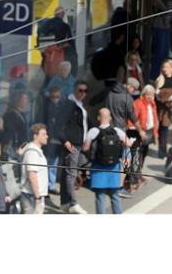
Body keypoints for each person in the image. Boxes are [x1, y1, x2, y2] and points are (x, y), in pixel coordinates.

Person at [84, 107, 130, 214]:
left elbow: (85, 148)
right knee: (115, 196)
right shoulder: (117, 131)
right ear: (110, 118)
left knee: (100, 197)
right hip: (114, 168)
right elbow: (128, 144)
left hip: (98, 169)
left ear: (98, 118)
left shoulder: (93, 131)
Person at [56, 81, 90, 214]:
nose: (83, 93)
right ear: (75, 90)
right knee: (71, 174)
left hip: (78, 144)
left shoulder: (79, 105)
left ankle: (65, 203)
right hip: (72, 144)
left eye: (85, 91)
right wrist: (65, 141)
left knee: (67, 174)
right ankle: (73, 203)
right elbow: (58, 123)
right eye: (80, 90)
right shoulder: (70, 104)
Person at [18, 124, 49, 214]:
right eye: (43, 134)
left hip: (34, 195)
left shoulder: (36, 151)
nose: (47, 136)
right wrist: (37, 198)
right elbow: (32, 175)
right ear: (35, 136)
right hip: (31, 196)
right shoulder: (32, 152)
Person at [132, 85, 159, 187]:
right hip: (140, 132)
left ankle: (138, 174)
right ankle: (134, 178)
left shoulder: (152, 104)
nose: (150, 97)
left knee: (144, 154)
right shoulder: (138, 103)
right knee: (137, 155)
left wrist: (155, 135)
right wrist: (139, 130)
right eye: (148, 94)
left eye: (152, 95)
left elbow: (155, 120)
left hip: (149, 132)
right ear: (143, 94)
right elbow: (133, 119)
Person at [39, 84, 65, 189]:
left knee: (53, 163)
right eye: (53, 97)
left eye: (57, 97)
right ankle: (46, 183)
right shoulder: (46, 107)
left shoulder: (62, 107)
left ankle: (51, 185)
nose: (55, 99)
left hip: (57, 138)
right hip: (48, 137)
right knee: (47, 162)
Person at [1, 91, 31, 155]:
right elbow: (10, 133)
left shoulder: (22, 114)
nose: (27, 101)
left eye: (27, 99)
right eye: (24, 98)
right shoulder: (12, 115)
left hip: (21, 148)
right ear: (18, 100)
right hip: (15, 149)